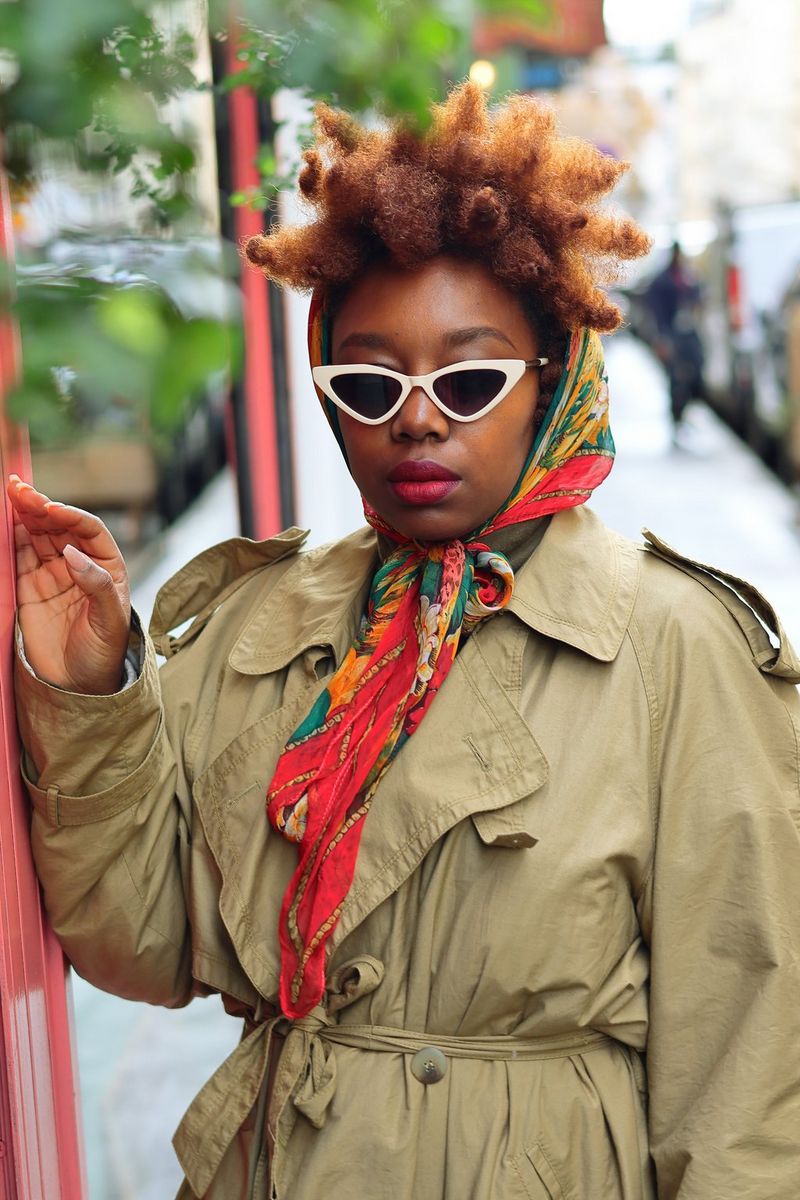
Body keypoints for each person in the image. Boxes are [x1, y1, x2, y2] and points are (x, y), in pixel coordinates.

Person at [9, 84, 800, 1200]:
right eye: (370, 383)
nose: (415, 420)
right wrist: (93, 682)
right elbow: (137, 942)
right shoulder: (265, 626)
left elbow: (746, 1086)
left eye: (468, 379)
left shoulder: (674, 649)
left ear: (552, 384)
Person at [643, 242, 706, 438]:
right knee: (676, 378)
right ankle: (676, 418)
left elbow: (697, 297)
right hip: (671, 335)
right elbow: (656, 310)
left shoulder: (687, 277)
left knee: (694, 371)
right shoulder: (662, 281)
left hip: (687, 334)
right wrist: (661, 338)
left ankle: (683, 413)